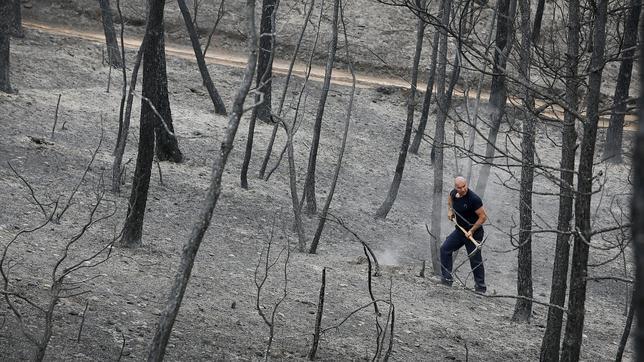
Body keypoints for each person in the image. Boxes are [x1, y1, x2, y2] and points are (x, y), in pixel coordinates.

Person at [440, 176, 487, 293]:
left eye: (464, 186)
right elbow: (450, 200)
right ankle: (446, 279)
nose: (462, 189)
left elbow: (483, 217)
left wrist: (472, 230)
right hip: (460, 231)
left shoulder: (474, 199)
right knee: (445, 249)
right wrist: (450, 210)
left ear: (467, 185)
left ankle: (480, 288)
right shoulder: (453, 193)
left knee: (475, 259)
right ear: (455, 187)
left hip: (474, 233)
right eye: (459, 188)